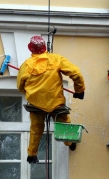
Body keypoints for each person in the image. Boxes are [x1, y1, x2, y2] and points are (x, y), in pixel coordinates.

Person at [17, 35, 85, 164]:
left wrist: (31, 91)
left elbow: (20, 87)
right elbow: (76, 73)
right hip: (56, 103)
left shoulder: (25, 66)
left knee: (36, 129)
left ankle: (31, 155)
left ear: (30, 49)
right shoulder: (57, 59)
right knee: (64, 123)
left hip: (36, 105)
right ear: (45, 47)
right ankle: (70, 143)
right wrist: (79, 90)